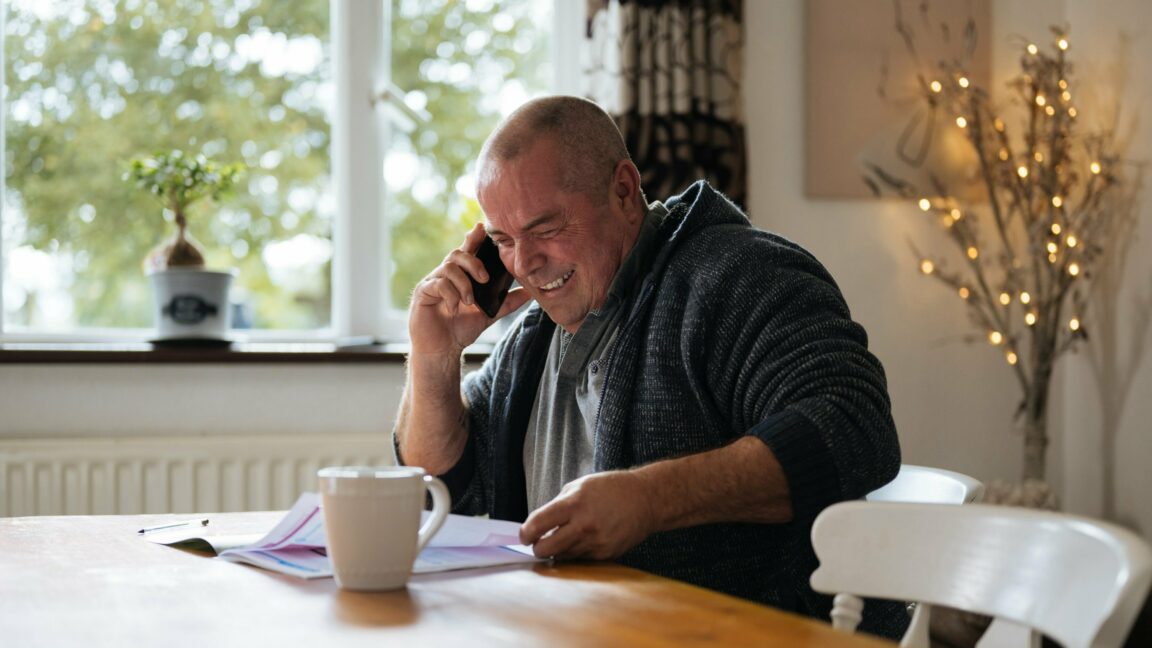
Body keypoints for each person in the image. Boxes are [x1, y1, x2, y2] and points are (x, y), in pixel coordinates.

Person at [394, 95, 905, 637]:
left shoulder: (742, 275)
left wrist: (649, 499)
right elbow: (440, 490)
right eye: (502, 240)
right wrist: (433, 356)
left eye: (545, 229)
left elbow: (853, 426)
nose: (524, 263)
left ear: (623, 189)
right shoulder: (531, 340)